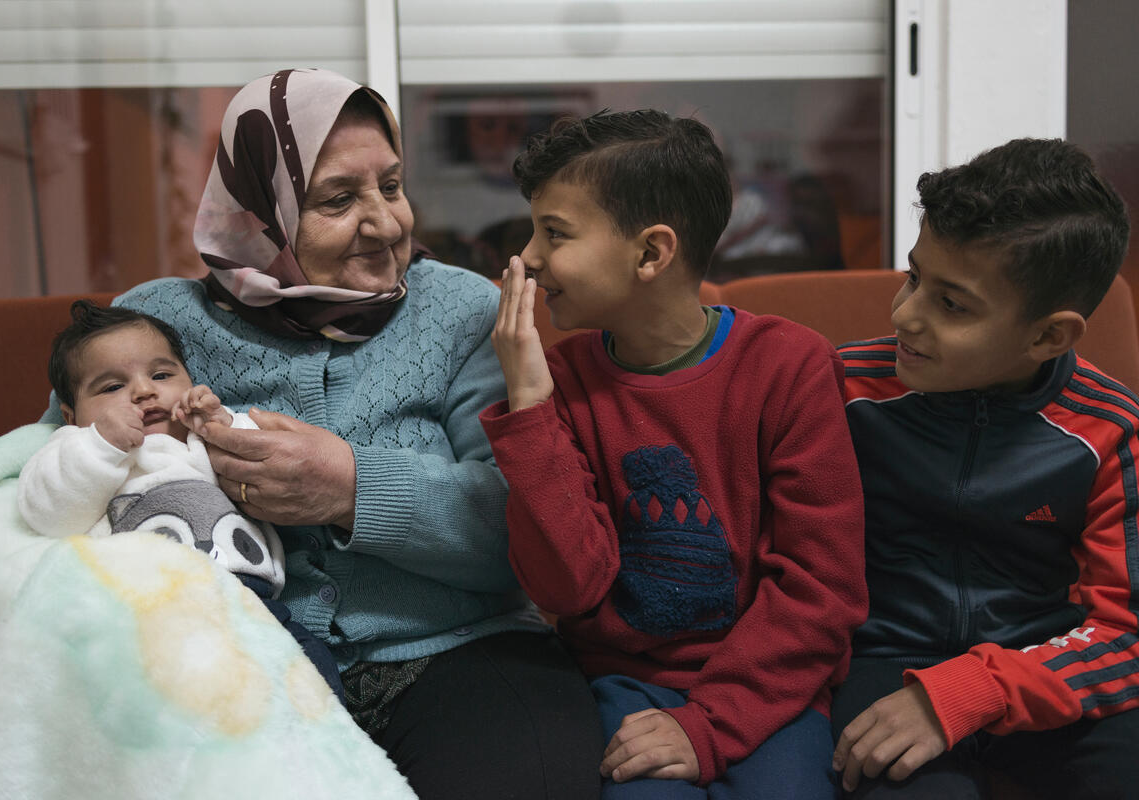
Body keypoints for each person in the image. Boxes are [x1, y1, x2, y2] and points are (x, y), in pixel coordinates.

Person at [42, 68, 602, 800]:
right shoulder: (153, 325)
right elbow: (48, 487)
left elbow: (525, 535)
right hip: (231, 661)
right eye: (339, 199)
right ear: (259, 211)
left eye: (392, 186)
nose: (388, 222)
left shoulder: (464, 309)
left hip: (461, 650)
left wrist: (349, 486)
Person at [479, 109, 867, 799]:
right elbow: (567, 589)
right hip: (624, 685)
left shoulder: (790, 365)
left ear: (652, 253)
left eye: (556, 233)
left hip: (770, 687)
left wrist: (711, 722)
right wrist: (530, 408)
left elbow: (821, 586)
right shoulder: (559, 382)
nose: (530, 258)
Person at [831, 138, 1138, 799]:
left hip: (1045, 666)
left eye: (952, 303)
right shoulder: (841, 390)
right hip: (883, 663)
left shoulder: (1111, 431)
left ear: (1048, 336)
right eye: (914, 277)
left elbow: (1127, 635)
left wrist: (974, 689)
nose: (904, 314)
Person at [21, 299, 346, 702]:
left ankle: (317, 752)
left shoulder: (200, 436)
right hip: (145, 616)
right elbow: (48, 512)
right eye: (112, 387)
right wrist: (100, 445)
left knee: (313, 673)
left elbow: (265, 460)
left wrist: (221, 424)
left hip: (250, 603)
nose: (143, 391)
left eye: (161, 374)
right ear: (71, 416)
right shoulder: (77, 449)